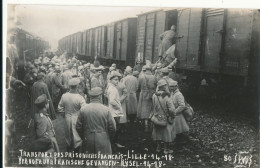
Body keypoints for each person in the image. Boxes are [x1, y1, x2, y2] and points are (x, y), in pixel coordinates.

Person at [76, 87, 116, 155]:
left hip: (88, 138)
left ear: (90, 97)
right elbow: (112, 127)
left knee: (90, 161)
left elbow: (78, 127)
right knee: (102, 161)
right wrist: (108, 137)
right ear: (100, 96)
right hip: (103, 138)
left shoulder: (84, 109)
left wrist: (85, 135)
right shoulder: (106, 109)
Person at [58, 78, 86, 152]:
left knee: (68, 135)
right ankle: (76, 155)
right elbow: (84, 110)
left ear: (69, 86)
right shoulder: (80, 98)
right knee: (76, 136)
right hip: (76, 118)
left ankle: (69, 153)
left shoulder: (64, 96)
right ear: (77, 86)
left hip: (67, 117)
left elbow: (60, 107)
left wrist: (64, 114)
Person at [152, 80, 175, 154]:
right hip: (165, 117)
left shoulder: (154, 95)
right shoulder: (167, 96)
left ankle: (158, 148)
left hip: (156, 116)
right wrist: (172, 115)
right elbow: (171, 109)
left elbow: (153, 106)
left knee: (157, 131)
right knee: (166, 132)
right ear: (164, 86)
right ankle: (166, 149)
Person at [106, 71, 125, 148]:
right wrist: (119, 107)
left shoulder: (111, 87)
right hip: (114, 112)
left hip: (113, 111)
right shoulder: (113, 89)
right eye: (115, 79)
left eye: (118, 79)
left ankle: (113, 143)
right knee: (115, 128)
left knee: (115, 128)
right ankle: (114, 144)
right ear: (111, 80)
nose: (117, 81)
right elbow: (112, 101)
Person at [137, 65, 157, 132]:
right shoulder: (154, 77)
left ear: (145, 70)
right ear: (151, 70)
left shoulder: (141, 76)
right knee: (151, 109)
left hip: (143, 94)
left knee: (144, 109)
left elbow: (138, 87)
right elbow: (156, 86)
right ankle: (151, 124)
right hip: (152, 94)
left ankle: (146, 125)